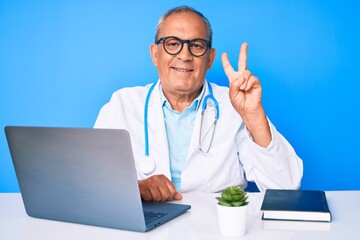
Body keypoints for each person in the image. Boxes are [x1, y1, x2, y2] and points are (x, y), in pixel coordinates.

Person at [94, 6, 303, 202]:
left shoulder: (236, 105)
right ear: (155, 54)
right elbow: (94, 184)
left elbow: (284, 188)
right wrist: (134, 188)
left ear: (209, 59)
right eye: (173, 44)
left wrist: (254, 115)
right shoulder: (121, 104)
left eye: (196, 45)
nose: (184, 56)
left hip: (218, 227)